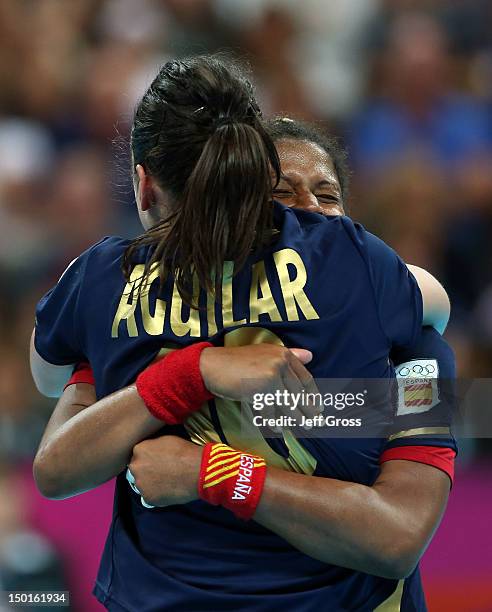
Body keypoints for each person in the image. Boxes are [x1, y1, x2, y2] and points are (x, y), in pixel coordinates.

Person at [30, 55, 451, 612]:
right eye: (283, 196)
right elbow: (55, 467)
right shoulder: (356, 268)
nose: (309, 212)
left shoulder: (413, 353)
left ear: (145, 183)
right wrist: (192, 371)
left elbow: (395, 536)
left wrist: (209, 469)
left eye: (326, 198)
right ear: (245, 188)